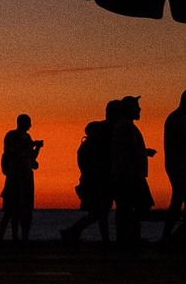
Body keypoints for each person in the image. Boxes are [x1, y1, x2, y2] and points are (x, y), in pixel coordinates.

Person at [58, 110, 112, 245]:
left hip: (93, 182)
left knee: (99, 213)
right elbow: (88, 166)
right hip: (94, 183)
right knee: (100, 213)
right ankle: (73, 231)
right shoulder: (90, 148)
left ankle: (75, 232)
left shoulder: (87, 147)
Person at [107, 95, 154, 246]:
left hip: (127, 173)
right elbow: (130, 148)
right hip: (129, 174)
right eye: (136, 106)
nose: (139, 109)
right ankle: (128, 238)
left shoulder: (125, 125)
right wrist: (139, 158)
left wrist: (143, 152)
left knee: (128, 207)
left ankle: (129, 238)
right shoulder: (125, 125)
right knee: (136, 206)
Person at [0, 114, 42, 241]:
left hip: (26, 176)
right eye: (28, 123)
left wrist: (37, 148)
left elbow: (31, 157)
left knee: (26, 208)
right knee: (12, 209)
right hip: (14, 176)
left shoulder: (27, 137)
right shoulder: (11, 136)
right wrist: (29, 146)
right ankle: (9, 237)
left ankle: (24, 237)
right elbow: (11, 152)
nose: (29, 126)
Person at [161, 90, 186, 237]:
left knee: (181, 200)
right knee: (182, 201)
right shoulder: (179, 119)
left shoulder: (175, 118)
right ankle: (175, 237)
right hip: (179, 167)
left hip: (176, 165)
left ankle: (175, 236)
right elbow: (181, 146)